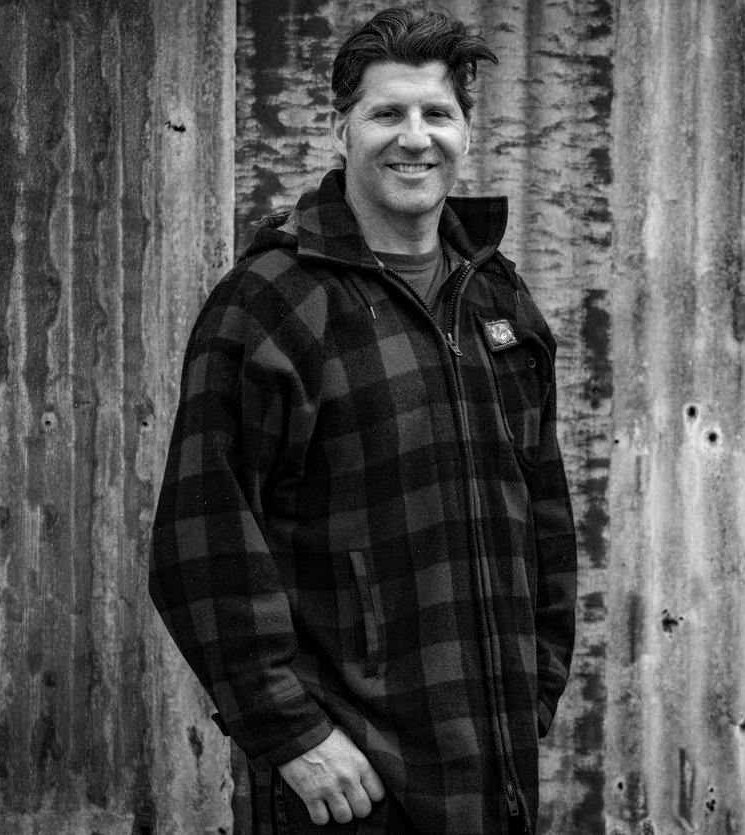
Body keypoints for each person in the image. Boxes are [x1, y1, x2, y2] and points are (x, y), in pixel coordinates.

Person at [148, 8, 578, 834]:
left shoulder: (497, 298)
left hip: (494, 774)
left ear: (465, 132)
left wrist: (535, 691)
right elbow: (199, 541)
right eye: (388, 112)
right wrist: (293, 734)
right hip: (351, 787)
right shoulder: (271, 302)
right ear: (339, 129)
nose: (415, 137)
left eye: (436, 113)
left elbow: (546, 519)